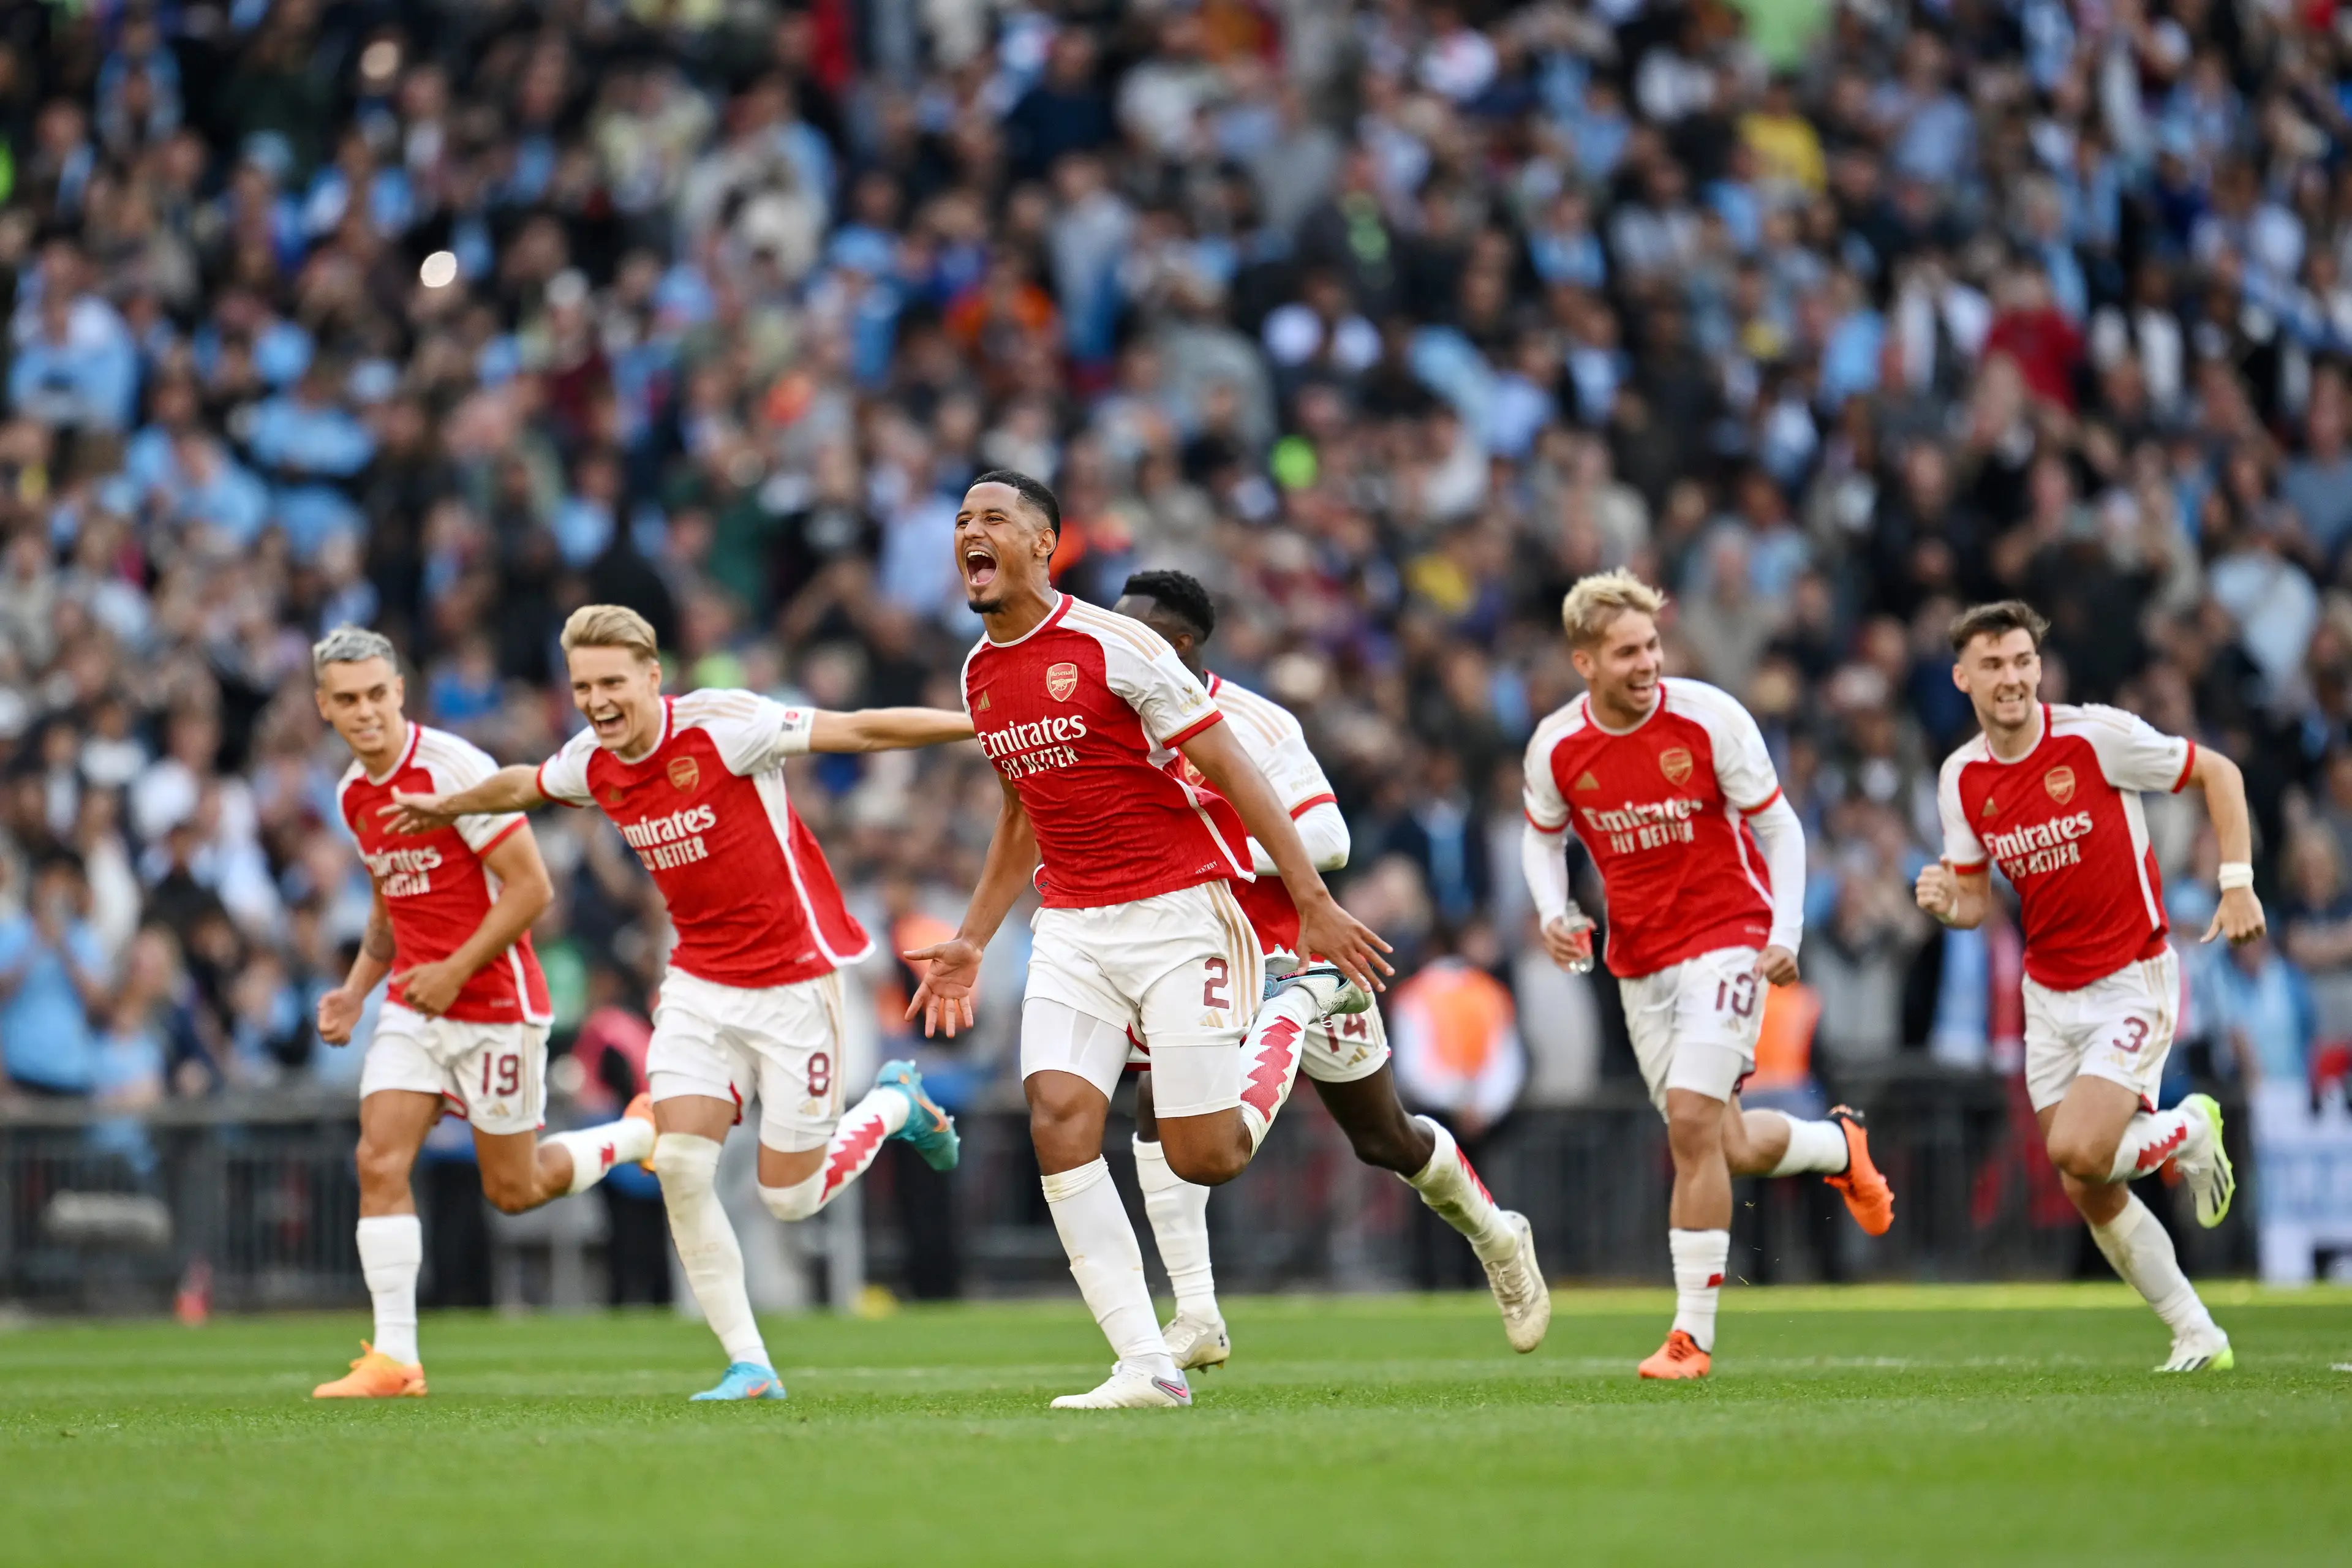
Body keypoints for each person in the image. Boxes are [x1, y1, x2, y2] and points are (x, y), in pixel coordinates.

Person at [380, 605, 972, 1400]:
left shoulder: (724, 727)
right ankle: (749, 1364)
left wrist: (975, 724)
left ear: (652, 676)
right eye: (583, 686)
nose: (597, 701)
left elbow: (860, 730)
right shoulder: (592, 760)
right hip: (699, 985)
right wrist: (448, 806)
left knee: (790, 1198)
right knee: (685, 1166)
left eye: (612, 682)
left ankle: (897, 1105)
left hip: (795, 980)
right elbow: (527, 783)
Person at [904, 472, 1392, 1410]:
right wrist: (972, 938)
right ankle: (1146, 1365)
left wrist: (1312, 900)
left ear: (1043, 544)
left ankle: (1293, 1008)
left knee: (1205, 1154)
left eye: (994, 518)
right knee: (1057, 1117)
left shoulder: (1116, 646)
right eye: (962, 520)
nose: (971, 531)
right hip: (1073, 924)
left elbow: (1230, 765)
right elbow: (1021, 816)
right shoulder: (977, 674)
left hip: (1179, 913)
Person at [1110, 569, 1547, 1367]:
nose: (1113, 647)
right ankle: (1198, 1312)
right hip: (1200, 958)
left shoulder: (1255, 721)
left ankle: (1498, 1235)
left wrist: (1203, 854)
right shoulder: (1115, 728)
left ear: (1178, 644)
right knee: (1154, 1097)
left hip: (1297, 954)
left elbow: (1331, 840)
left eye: (1130, 633)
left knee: (1383, 1137)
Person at [1521, 571, 1893, 1380]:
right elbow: (1542, 837)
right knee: (1725, 1144)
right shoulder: (1557, 745)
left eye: (1653, 645)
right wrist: (1553, 910)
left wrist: (1785, 933)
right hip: (1640, 961)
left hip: (1729, 937)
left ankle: (1691, 1337)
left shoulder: (1710, 718)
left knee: (1690, 1123)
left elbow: (1781, 828)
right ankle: (1839, 1145)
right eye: (1627, 652)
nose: (1648, 663)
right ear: (1585, 662)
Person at [308, 626, 657, 1398]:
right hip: (414, 1004)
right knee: (378, 1159)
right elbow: (390, 906)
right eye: (347, 699)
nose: (365, 711)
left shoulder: (453, 768)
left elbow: (533, 888)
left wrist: (455, 969)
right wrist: (357, 990)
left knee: (514, 1189)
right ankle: (395, 1358)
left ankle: (635, 1135)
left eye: (377, 694)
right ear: (324, 707)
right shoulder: (353, 793)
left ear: (400, 692)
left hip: (496, 1002)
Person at [1915, 600, 2256, 1372]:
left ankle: (2189, 1127)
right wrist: (1944, 903)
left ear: (2040, 668)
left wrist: (2236, 883)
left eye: (2022, 662)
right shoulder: (1961, 777)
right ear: (1963, 678)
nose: (2011, 678)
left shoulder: (2095, 737)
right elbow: (1973, 901)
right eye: (1993, 665)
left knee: (2079, 1148)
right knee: (2086, 1185)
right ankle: (2197, 1331)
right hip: (2049, 995)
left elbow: (2220, 772)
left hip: (2132, 977)